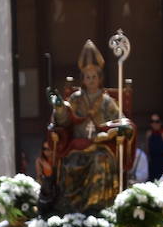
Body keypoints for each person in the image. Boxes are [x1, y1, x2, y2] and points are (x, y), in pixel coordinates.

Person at [48, 39, 131, 214]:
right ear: (83, 79)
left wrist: (110, 134)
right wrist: (59, 108)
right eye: (87, 76)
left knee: (99, 162)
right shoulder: (76, 99)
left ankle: (98, 208)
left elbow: (121, 122)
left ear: (99, 78)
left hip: (100, 146)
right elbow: (64, 121)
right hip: (77, 145)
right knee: (70, 163)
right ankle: (69, 209)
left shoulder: (107, 101)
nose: (91, 80)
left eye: (94, 76)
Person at [143, 112, 163, 180]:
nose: (154, 124)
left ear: (161, 122)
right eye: (152, 121)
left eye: (157, 121)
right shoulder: (149, 134)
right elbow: (146, 150)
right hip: (152, 164)